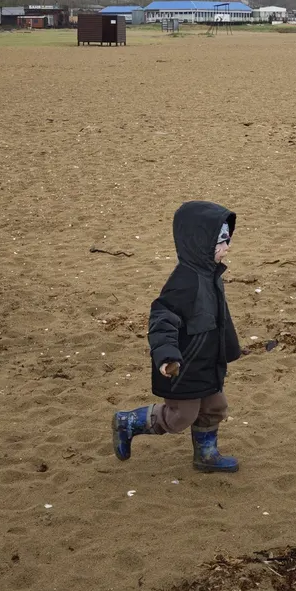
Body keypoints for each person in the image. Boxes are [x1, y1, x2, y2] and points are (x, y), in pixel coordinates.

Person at [112, 200, 243, 472]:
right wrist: (167, 355)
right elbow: (161, 319)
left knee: (215, 406)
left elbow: (219, 317)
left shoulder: (211, 275)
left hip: (207, 362)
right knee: (181, 416)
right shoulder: (184, 282)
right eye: (221, 242)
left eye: (227, 241)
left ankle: (206, 455)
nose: (227, 248)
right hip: (181, 366)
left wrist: (228, 347)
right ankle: (128, 422)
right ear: (200, 242)